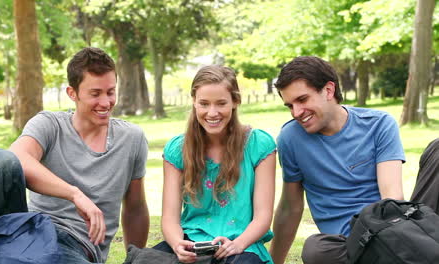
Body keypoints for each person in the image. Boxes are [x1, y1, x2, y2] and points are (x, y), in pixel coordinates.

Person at [0, 47, 149, 263]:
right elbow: (17, 156)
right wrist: (75, 194)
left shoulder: (132, 139)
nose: (105, 102)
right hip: (31, 231)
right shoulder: (49, 125)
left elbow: (135, 209)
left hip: (77, 246)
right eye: (95, 94)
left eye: (110, 92)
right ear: (72, 93)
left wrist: (135, 259)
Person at [269, 56, 405, 264]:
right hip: (343, 246)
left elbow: (392, 200)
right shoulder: (290, 138)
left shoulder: (379, 124)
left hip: (388, 229)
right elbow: (290, 208)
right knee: (315, 248)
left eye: (302, 100)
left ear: (329, 90)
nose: (296, 112)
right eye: (289, 105)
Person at [154, 65, 276, 263]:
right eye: (204, 103)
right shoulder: (177, 149)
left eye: (221, 103)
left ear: (235, 101)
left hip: (240, 245)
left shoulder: (259, 145)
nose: (212, 113)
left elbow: (263, 216)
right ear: (194, 102)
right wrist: (177, 244)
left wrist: (238, 244)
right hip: (191, 243)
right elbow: (169, 217)